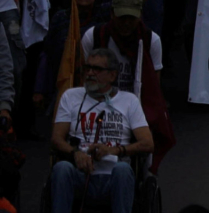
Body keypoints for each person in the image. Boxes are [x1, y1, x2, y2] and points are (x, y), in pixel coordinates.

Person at [50, 49, 156, 213]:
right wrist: (75, 153)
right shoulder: (70, 97)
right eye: (88, 68)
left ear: (112, 76)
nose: (90, 73)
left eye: (97, 69)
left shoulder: (129, 101)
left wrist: (115, 150)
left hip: (114, 176)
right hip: (80, 174)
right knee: (62, 168)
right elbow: (57, 139)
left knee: (122, 170)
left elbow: (148, 144)